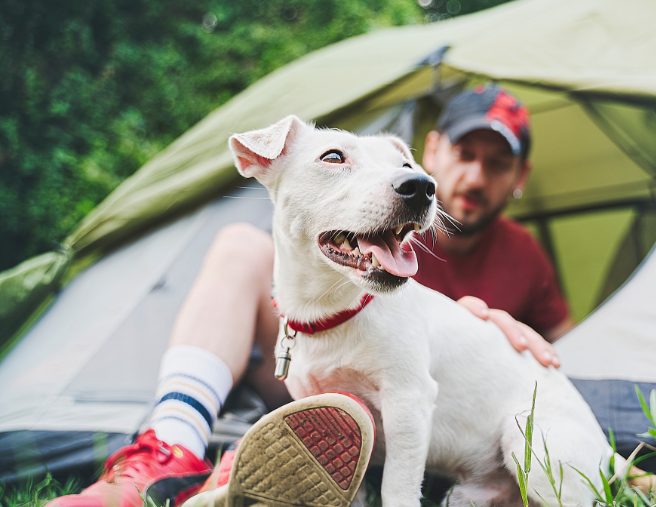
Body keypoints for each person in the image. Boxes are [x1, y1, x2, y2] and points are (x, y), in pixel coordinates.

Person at [48, 86, 575, 507]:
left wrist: (511, 333)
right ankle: (175, 443)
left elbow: (556, 354)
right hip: (306, 353)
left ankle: (246, 466)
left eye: (498, 163)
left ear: (519, 177)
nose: (475, 176)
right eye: (464, 153)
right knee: (238, 245)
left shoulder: (526, 257)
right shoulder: (364, 207)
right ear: (431, 151)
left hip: (432, 410)